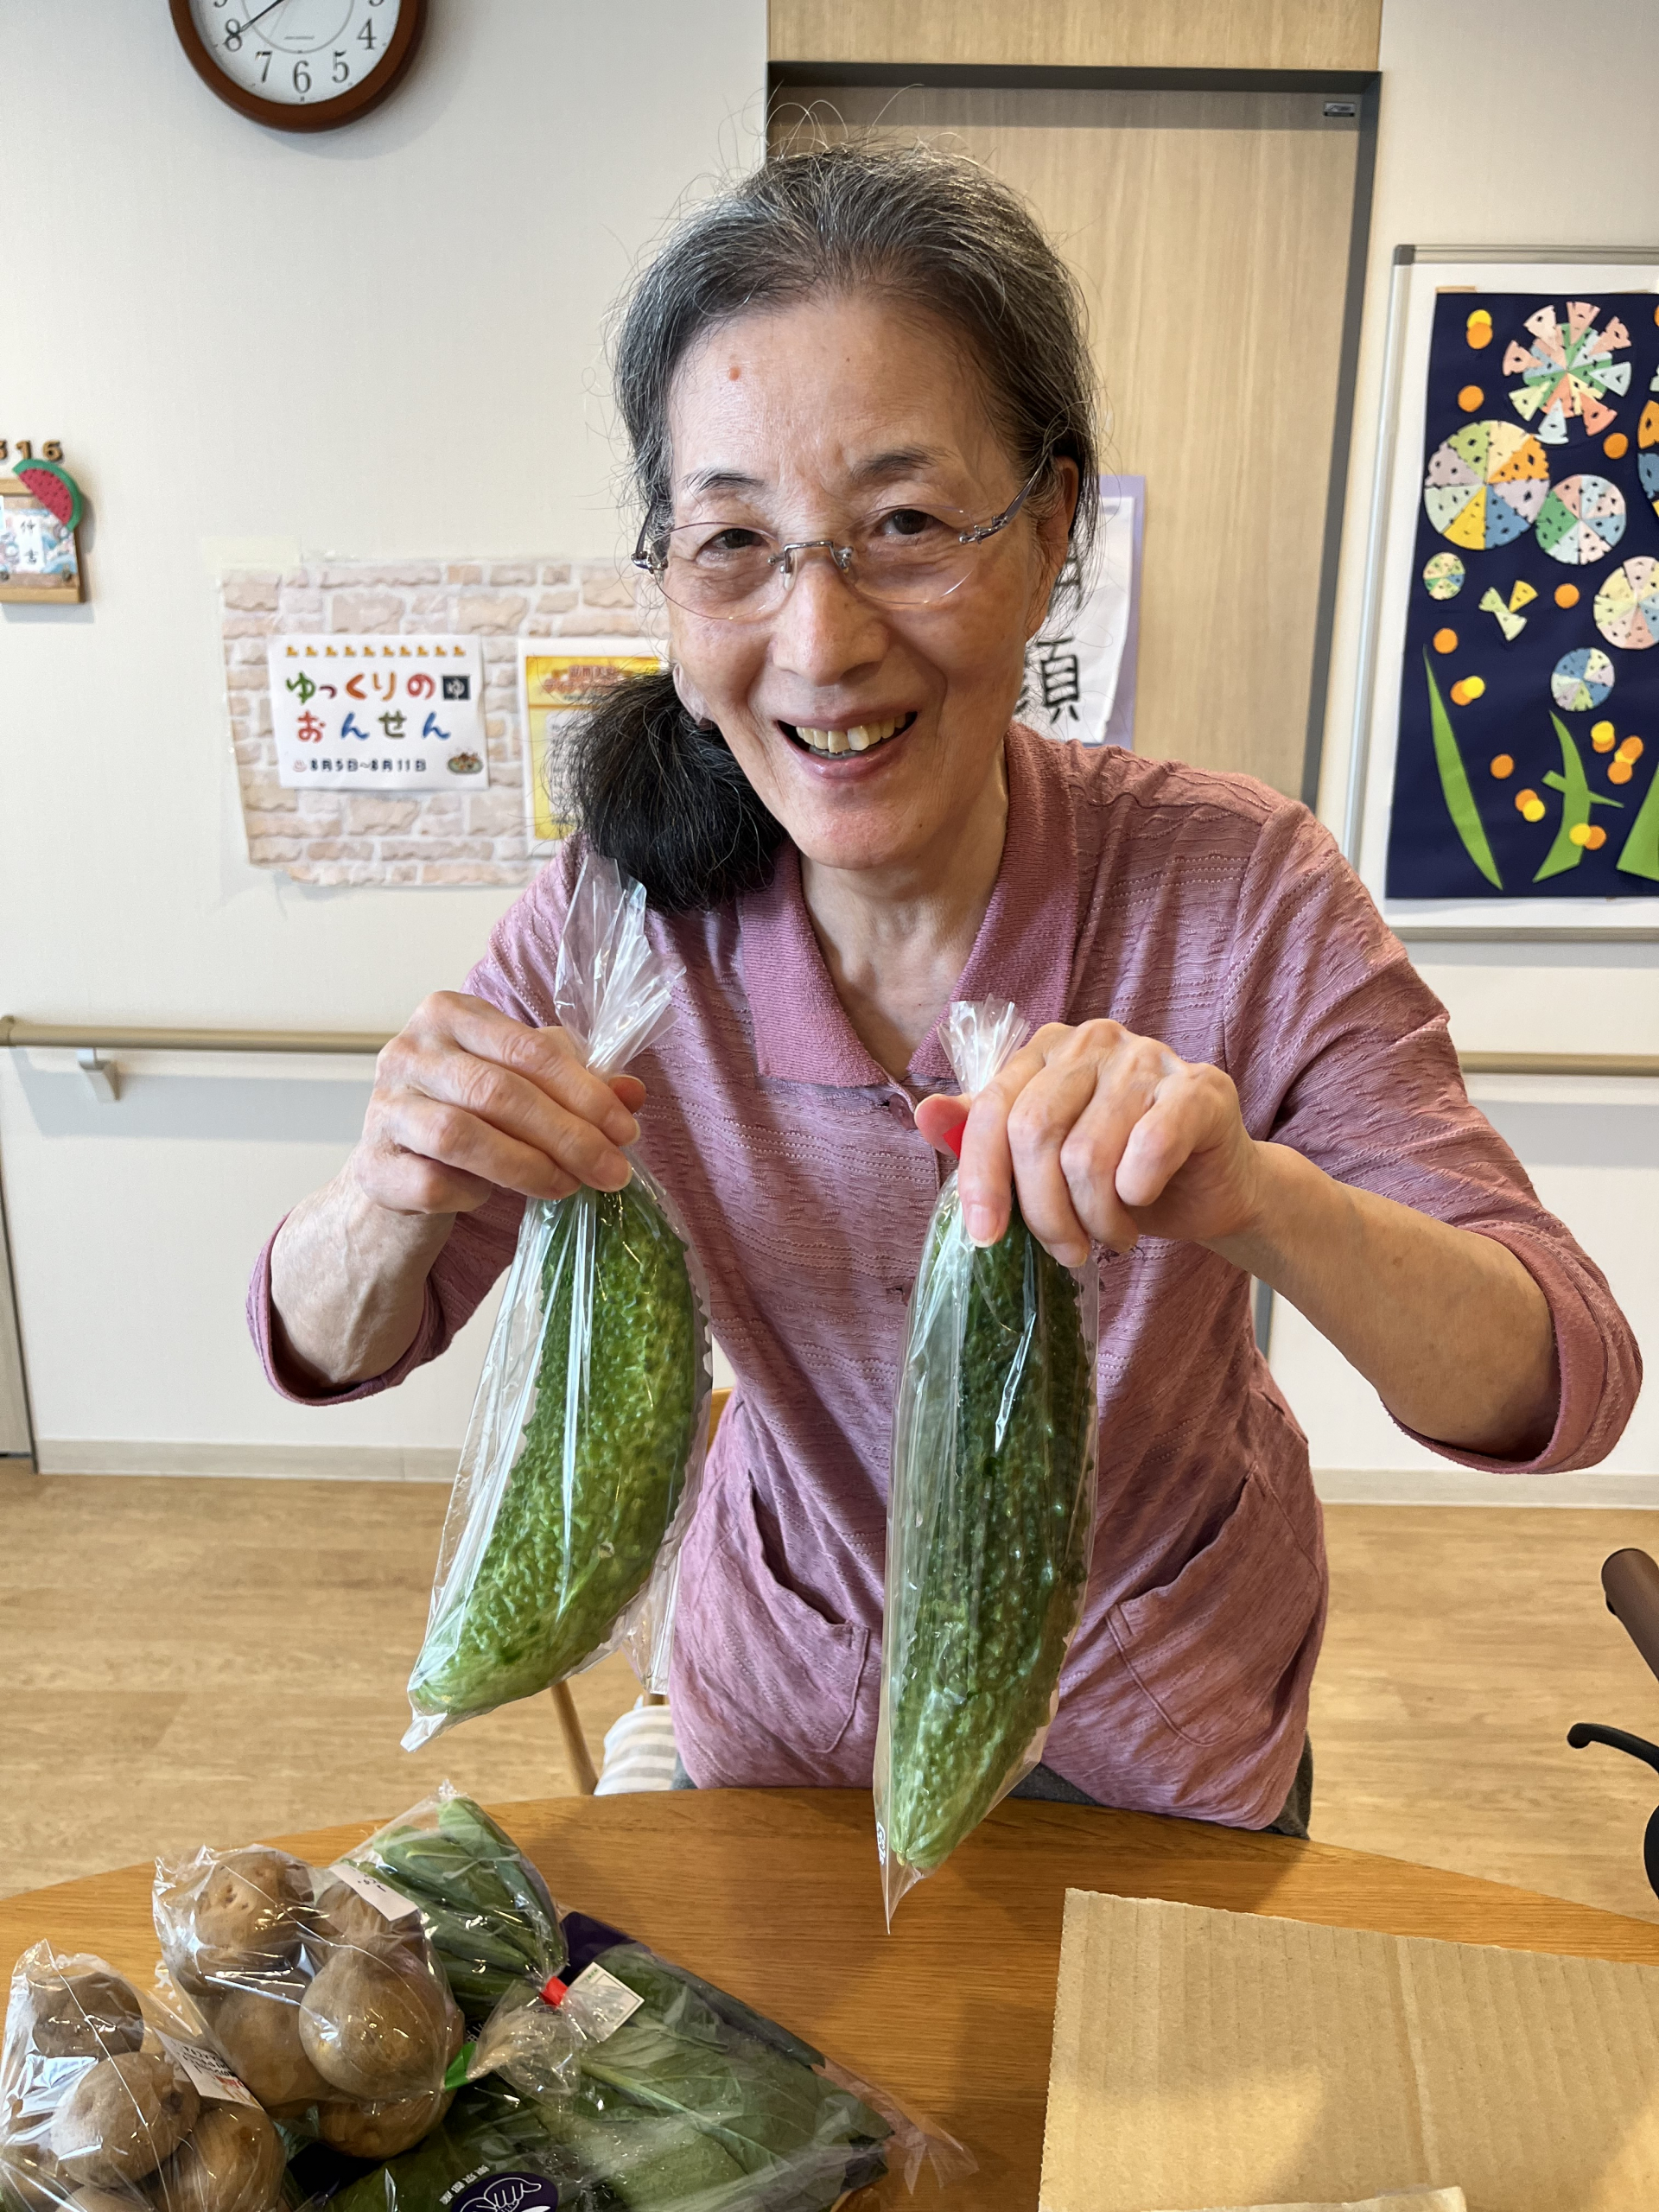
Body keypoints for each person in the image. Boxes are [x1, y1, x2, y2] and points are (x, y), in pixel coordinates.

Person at [252, 144, 1640, 1834]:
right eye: (735, 541)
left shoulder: (1238, 891)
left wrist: (1250, 1196)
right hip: (791, 1709)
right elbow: (331, 1340)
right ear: (671, 579)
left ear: (1050, 528)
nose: (820, 642)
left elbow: (1558, 1373)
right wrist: (387, 1191)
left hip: (1167, 1719)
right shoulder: (624, 921)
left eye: (905, 525)